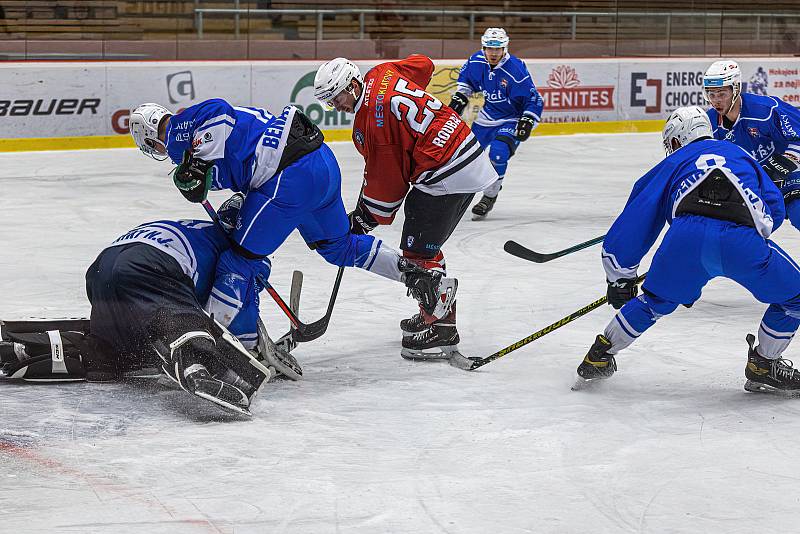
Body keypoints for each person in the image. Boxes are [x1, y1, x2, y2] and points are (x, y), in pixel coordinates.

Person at [128, 99, 457, 359]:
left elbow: (218, 110)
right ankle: (423, 279)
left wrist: (195, 162)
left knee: (237, 262)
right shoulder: (207, 136)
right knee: (338, 246)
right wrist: (234, 199)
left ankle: (236, 350)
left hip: (288, 178)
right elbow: (242, 163)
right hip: (320, 164)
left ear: (149, 137)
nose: (160, 153)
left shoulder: (176, 133)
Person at [574, 106, 800, 395]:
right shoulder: (741, 154)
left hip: (685, 239)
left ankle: (599, 356)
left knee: (653, 302)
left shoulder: (673, 163)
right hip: (743, 241)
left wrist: (620, 276)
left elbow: (636, 219)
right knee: (795, 299)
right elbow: (774, 209)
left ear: (678, 140)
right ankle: (764, 365)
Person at [0, 210, 281, 416]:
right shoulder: (242, 253)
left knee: (119, 350)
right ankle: (193, 359)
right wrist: (251, 346)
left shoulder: (197, 229)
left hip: (102, 269)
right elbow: (225, 309)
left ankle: (26, 349)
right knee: (179, 319)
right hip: (148, 266)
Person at [313, 54, 498, 359]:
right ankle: (432, 313)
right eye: (330, 103)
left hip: (445, 170)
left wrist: (364, 218)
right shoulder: (382, 72)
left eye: (337, 97)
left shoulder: (371, 122)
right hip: (462, 150)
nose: (337, 106)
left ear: (352, 84)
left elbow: (389, 181)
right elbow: (423, 65)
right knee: (423, 246)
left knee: (418, 252)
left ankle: (442, 330)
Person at [448, 27, 544, 218]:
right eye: (489, 48)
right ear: (483, 48)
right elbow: (467, 84)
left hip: (512, 118)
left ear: (505, 48)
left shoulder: (515, 70)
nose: (493, 53)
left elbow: (534, 99)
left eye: (498, 49)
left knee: (499, 154)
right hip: (487, 117)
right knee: (466, 155)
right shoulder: (475, 61)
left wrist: (527, 120)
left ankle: (489, 197)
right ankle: (455, 196)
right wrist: (460, 99)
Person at [703, 59, 800, 231]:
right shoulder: (709, 123)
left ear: (736, 89)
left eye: (722, 94)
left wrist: (785, 162)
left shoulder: (765, 111)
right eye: (712, 95)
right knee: (739, 231)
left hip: (789, 179)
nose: (716, 101)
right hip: (753, 186)